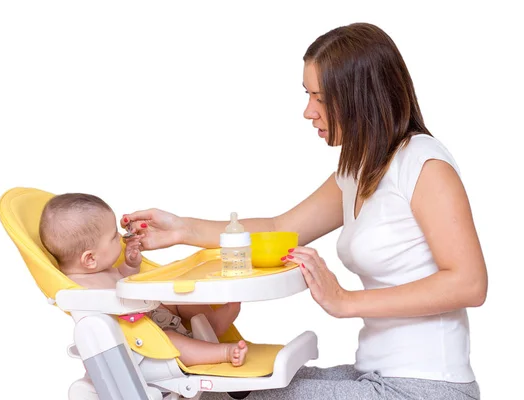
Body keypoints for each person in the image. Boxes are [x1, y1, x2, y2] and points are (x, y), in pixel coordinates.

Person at [121, 22, 487, 399]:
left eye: (321, 98)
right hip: (376, 373)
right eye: (308, 95)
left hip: (425, 388)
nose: (308, 111)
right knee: (232, 388)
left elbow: (469, 283)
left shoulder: (424, 165)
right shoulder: (360, 169)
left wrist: (345, 301)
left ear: (361, 96)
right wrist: (181, 229)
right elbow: (282, 226)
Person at [39, 192, 248, 367]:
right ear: (90, 258)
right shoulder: (79, 288)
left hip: (156, 313)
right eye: (113, 236)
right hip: (144, 340)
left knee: (182, 300)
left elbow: (126, 280)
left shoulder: (102, 269)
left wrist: (130, 264)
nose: (120, 238)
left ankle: (212, 323)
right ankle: (222, 353)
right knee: (173, 343)